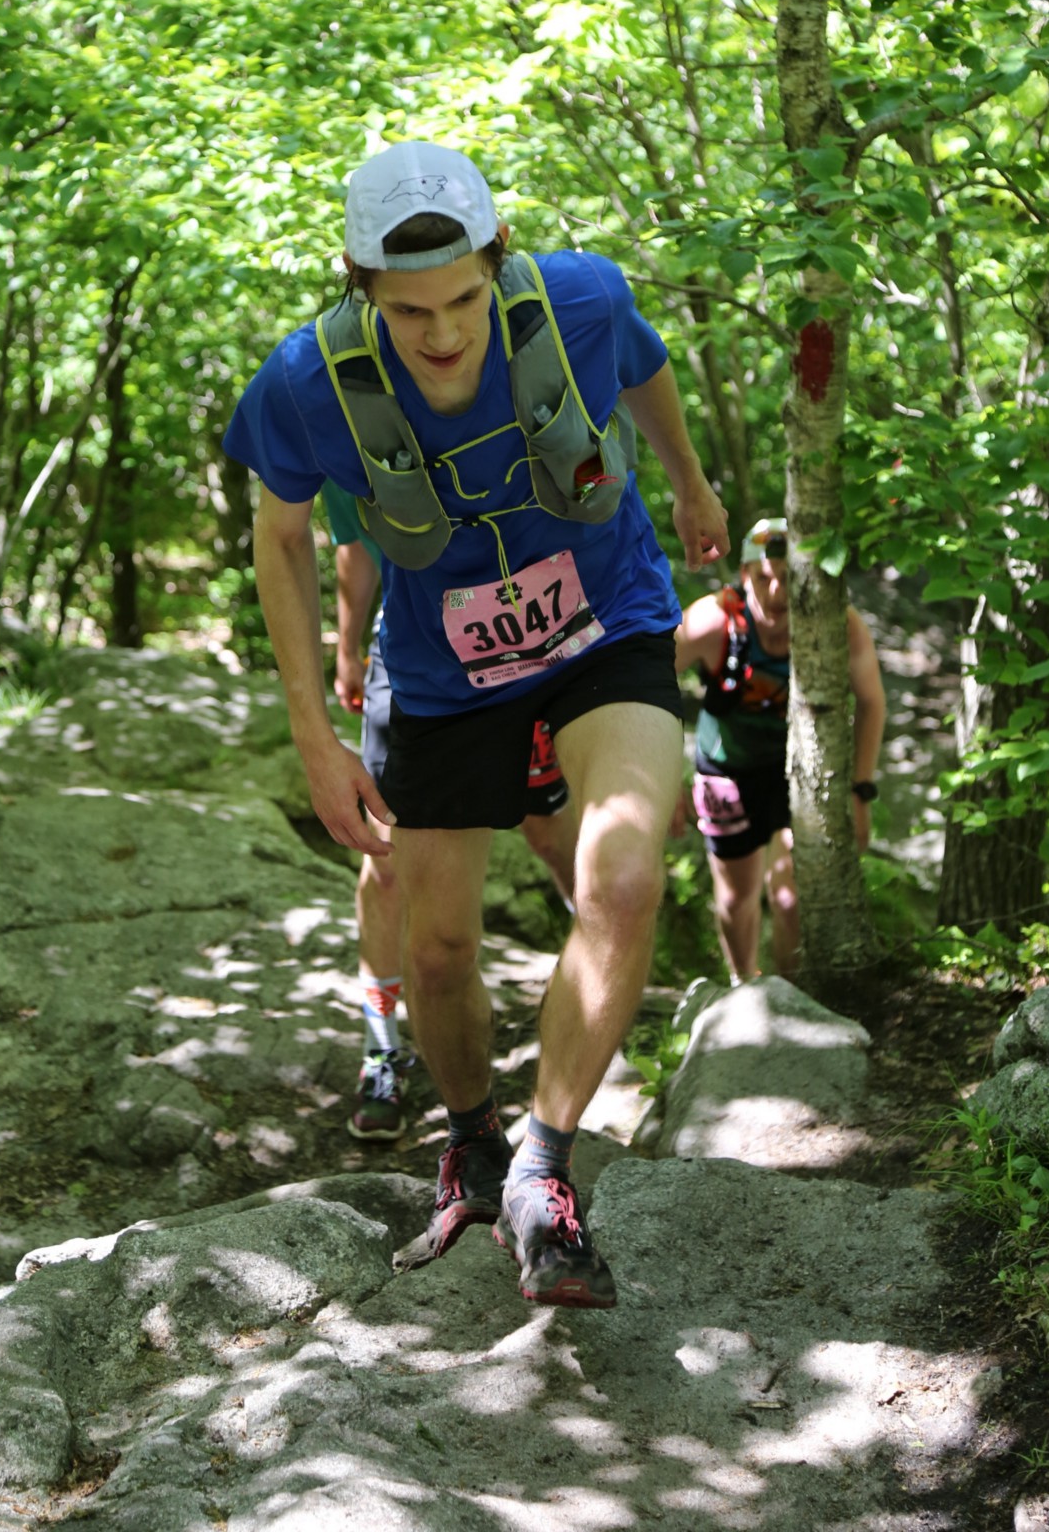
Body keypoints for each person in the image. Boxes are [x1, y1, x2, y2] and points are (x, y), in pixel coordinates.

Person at [224, 140, 728, 1309]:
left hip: (606, 627)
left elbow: (645, 370)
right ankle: (472, 1142)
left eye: (462, 299)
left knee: (623, 879)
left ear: (497, 260)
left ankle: (542, 1172)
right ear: (359, 286)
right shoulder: (305, 382)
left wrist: (691, 482)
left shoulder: (584, 299)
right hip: (441, 675)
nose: (443, 333)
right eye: (408, 312)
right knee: (438, 947)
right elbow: (281, 537)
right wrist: (315, 733)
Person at [321, 479, 577, 1143]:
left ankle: (603, 997)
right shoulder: (342, 411)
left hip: (529, 636)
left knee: (554, 833)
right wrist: (347, 650)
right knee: (386, 863)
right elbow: (355, 549)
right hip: (413, 660)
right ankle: (383, 1050)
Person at [674, 515, 886, 983]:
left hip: (800, 772)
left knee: (791, 897)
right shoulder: (712, 620)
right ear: (745, 574)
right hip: (726, 770)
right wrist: (666, 780)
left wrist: (860, 791)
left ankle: (791, 992)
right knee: (737, 896)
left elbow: (871, 702)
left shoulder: (838, 625)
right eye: (764, 577)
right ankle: (744, 986)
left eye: (789, 578)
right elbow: (648, 681)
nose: (776, 592)